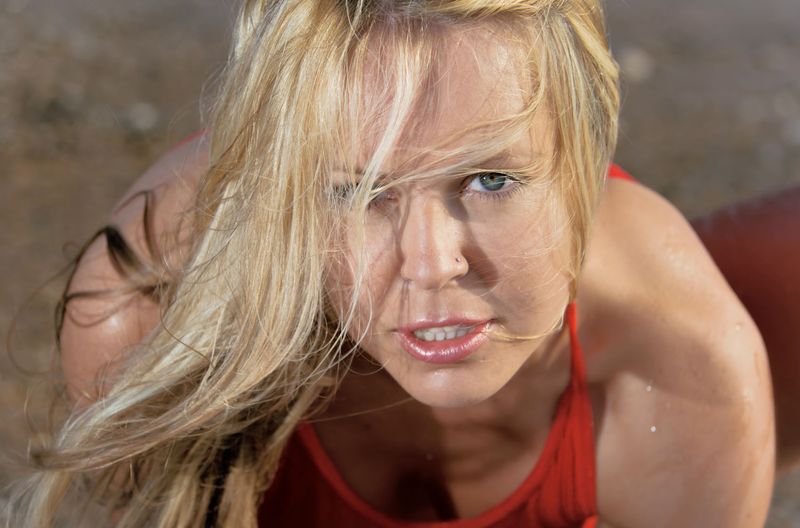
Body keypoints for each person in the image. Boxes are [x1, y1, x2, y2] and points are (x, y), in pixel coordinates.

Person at [7, 1, 776, 527]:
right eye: (359, 191)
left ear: (584, 161)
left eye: (490, 179)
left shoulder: (682, 370)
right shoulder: (149, 321)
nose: (433, 263)